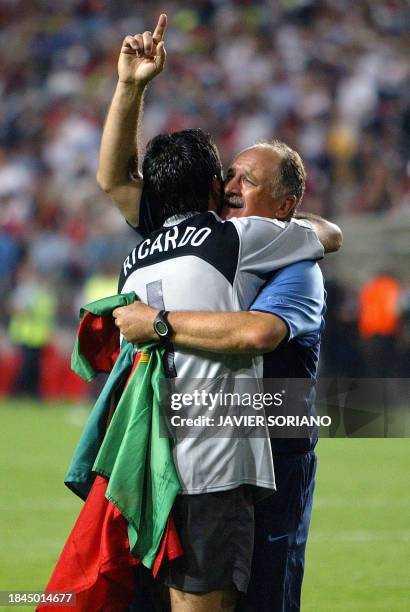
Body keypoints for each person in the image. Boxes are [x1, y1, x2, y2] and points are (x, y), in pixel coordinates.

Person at [96, 15, 341, 612]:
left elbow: (258, 332)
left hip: (272, 457)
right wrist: (130, 86)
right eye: (227, 173)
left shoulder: (290, 264)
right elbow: (117, 180)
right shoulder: (208, 239)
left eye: (247, 180)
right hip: (191, 452)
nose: (229, 185)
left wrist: (157, 323)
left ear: (282, 207)